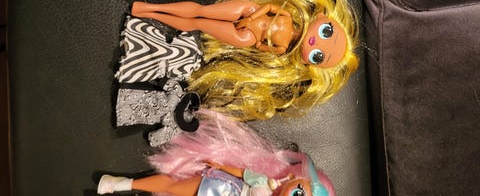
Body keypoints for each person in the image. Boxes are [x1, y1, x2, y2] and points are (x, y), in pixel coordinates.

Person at [130, 0, 359, 120]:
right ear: (322, 17)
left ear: (309, 64)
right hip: (249, 10)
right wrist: (252, 17)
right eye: (326, 32)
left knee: (197, 23)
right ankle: (149, 7)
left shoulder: (282, 48)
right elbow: (269, 8)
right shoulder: (288, 17)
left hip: (247, 36)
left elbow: (264, 46)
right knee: (201, 10)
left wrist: (255, 37)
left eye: (318, 55)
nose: (316, 42)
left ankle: (151, 14)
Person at [96, 109, 335, 195]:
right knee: (172, 186)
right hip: (217, 188)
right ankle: (120, 184)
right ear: (293, 177)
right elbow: (241, 173)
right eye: (299, 193)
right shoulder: (264, 182)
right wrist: (219, 166)